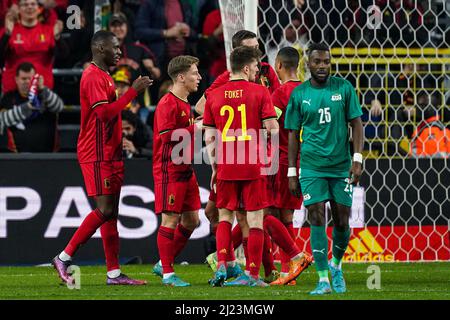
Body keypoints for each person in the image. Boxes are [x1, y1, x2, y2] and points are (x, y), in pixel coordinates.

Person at [51, 30, 152, 286]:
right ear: (99, 48)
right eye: (115, 47)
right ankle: (64, 257)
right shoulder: (92, 76)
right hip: (96, 154)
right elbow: (104, 115)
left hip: (110, 153)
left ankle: (114, 273)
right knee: (104, 209)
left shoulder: (105, 76)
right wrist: (132, 93)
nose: (119, 51)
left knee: (111, 213)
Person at [203, 46, 308, 287]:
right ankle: (252, 275)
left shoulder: (215, 95)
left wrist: (215, 168)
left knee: (225, 216)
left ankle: (222, 265)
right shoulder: (260, 92)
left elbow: (209, 138)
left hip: (227, 164)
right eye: (255, 68)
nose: (257, 73)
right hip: (255, 165)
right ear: (248, 67)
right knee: (257, 219)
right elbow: (272, 129)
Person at [285, 43, 364, 295]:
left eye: (326, 62)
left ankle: (336, 266)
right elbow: (292, 135)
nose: (322, 66)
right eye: (317, 61)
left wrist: (358, 157)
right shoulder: (299, 94)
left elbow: (357, 124)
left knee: (342, 220)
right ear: (307, 64)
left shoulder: (344, 88)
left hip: (341, 167)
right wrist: (291, 172)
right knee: (316, 217)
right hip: (311, 168)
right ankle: (323, 280)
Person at [151, 55, 203, 287]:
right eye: (194, 73)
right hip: (169, 170)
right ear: (181, 77)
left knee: (192, 220)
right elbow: (168, 138)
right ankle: (168, 274)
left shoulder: (185, 104)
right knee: (170, 220)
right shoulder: (167, 104)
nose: (199, 77)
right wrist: (195, 127)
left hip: (186, 169)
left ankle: (164, 263)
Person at [267, 46, 312, 285]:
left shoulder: (281, 93)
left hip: (281, 159)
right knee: (287, 215)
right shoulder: (309, 91)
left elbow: (269, 127)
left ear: (279, 66)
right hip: (303, 160)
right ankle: (288, 272)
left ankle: (293, 259)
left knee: (265, 213)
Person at [0, 0, 64, 93]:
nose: (29, 7)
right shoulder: (8, 30)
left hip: (42, 89)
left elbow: (62, 56)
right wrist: (7, 35)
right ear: (18, 9)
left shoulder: (49, 30)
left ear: (39, 8)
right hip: (13, 90)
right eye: (25, 4)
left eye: (33, 4)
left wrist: (58, 38)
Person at [0, 62, 64, 152]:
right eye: (23, 79)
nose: (27, 82)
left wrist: (42, 88)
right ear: (16, 79)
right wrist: (26, 108)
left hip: (48, 156)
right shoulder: (9, 97)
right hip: (17, 158)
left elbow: (59, 107)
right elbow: (2, 120)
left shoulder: (45, 95)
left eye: (30, 78)